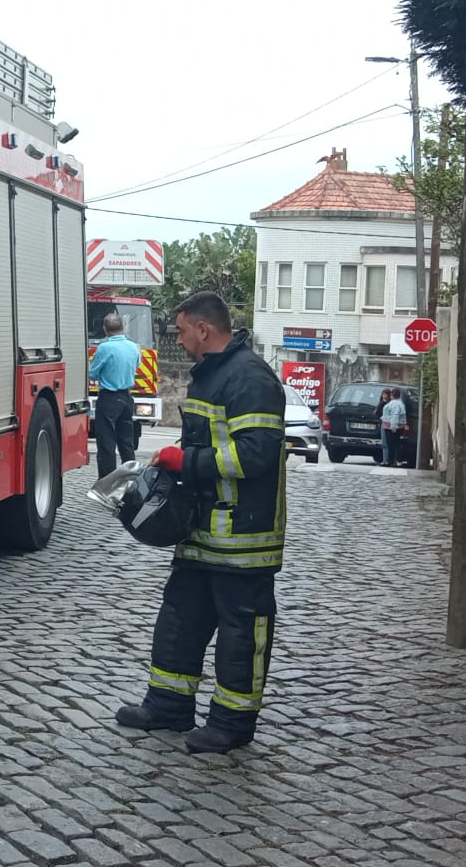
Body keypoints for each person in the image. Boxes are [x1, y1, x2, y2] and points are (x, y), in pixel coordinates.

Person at [116, 291, 287, 754]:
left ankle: (231, 724)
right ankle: (168, 706)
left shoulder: (249, 378)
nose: (180, 339)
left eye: (182, 330)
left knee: (240, 633)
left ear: (204, 329)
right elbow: (212, 442)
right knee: (179, 619)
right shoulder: (213, 374)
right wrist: (177, 460)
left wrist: (185, 461)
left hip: (244, 537)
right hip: (201, 530)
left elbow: (256, 454)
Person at [89, 312, 142, 469]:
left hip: (109, 398)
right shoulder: (133, 347)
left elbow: (93, 373)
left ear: (105, 329)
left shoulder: (104, 348)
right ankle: (130, 477)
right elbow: (137, 365)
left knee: (106, 444)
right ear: (122, 327)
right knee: (127, 443)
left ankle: (108, 479)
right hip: (126, 398)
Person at [381, 388, 410, 468]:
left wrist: (393, 427)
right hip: (397, 426)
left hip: (390, 426)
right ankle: (393, 461)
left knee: (393, 444)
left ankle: (396, 461)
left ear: (392, 395)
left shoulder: (394, 404)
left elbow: (395, 415)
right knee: (395, 443)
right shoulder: (401, 403)